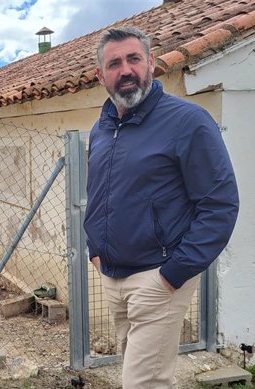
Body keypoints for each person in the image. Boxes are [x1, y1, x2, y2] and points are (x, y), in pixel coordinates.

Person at [83, 26, 239, 388]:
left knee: (143, 382)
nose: (126, 70)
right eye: (114, 63)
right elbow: (98, 194)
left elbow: (220, 205)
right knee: (138, 373)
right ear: (100, 75)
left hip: (158, 278)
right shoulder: (102, 128)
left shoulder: (188, 122)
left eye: (134, 59)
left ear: (151, 63)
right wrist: (95, 250)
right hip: (113, 275)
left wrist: (172, 274)